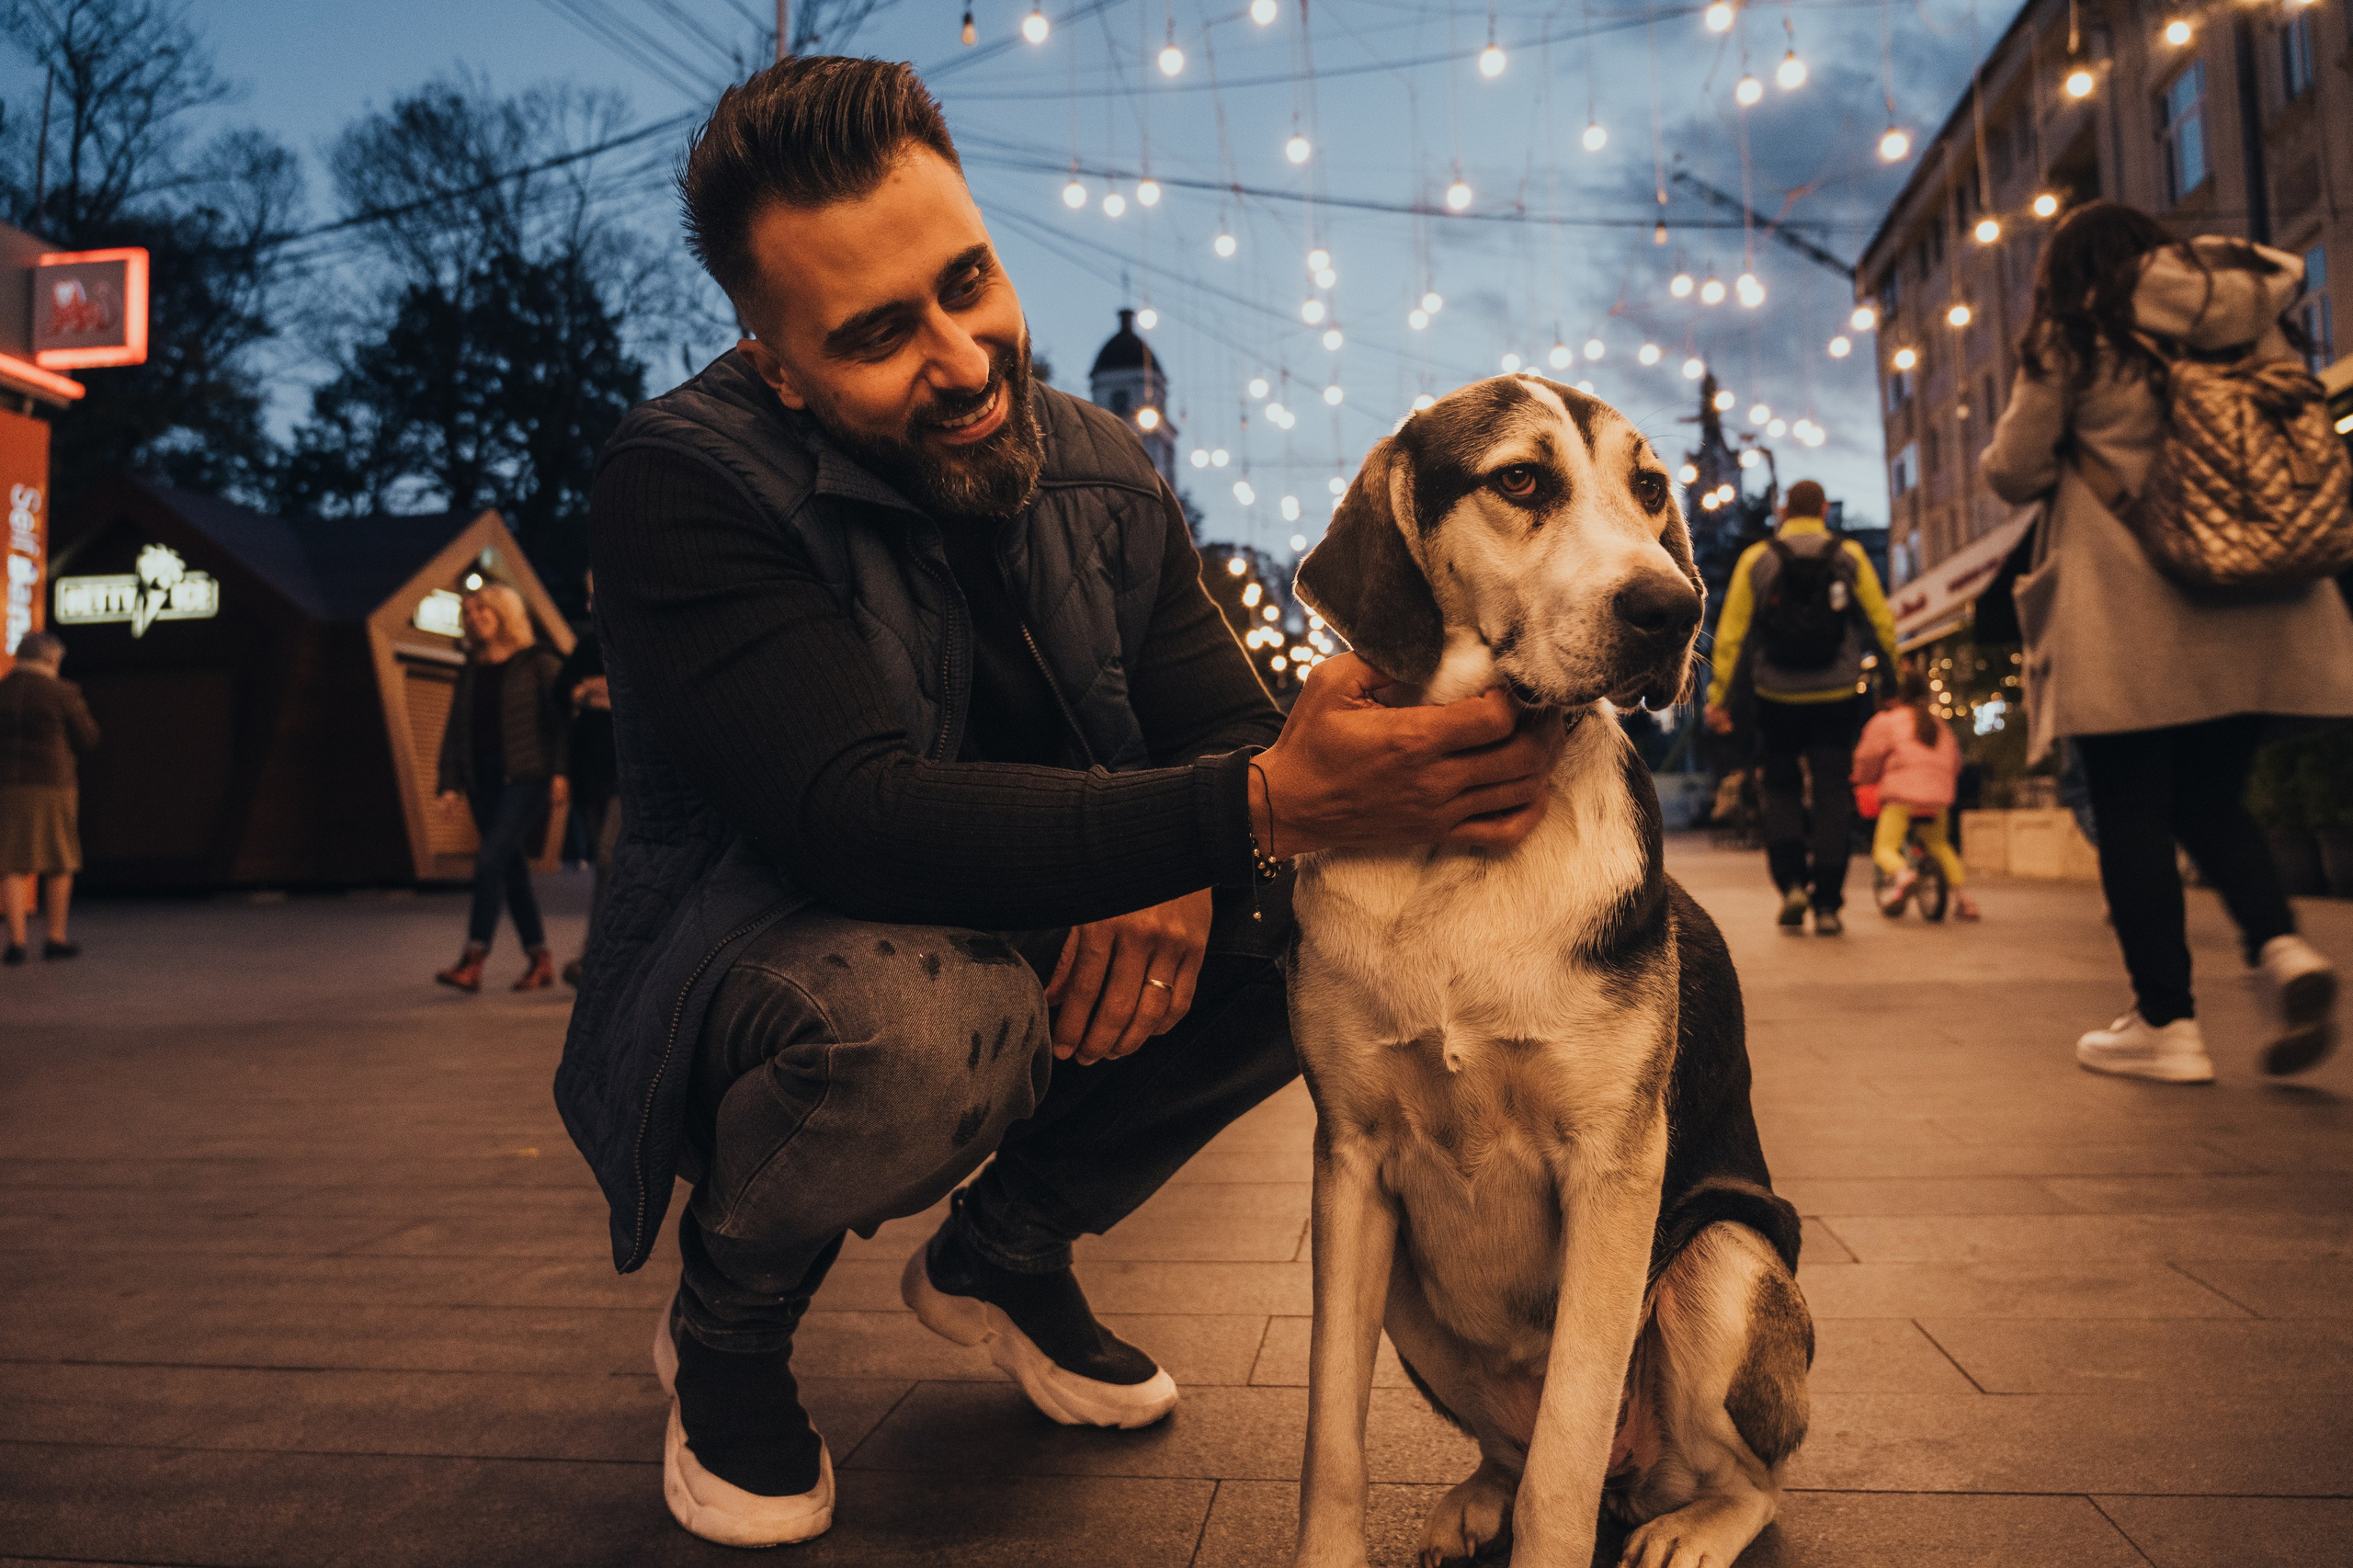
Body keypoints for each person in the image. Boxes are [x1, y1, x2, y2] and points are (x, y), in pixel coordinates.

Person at [566, 58, 1569, 1549]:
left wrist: (1215, 836)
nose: (965, 359)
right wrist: (1226, 813)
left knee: (1329, 925)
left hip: (1031, 918)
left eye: (967, 280)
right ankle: (727, 1327)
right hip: (770, 955)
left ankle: (1006, 1253)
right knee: (918, 1024)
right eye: (877, 334)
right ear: (778, 365)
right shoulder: (683, 481)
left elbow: (1231, 742)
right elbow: (854, 815)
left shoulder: (1102, 469)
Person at [1980, 200, 2353, 1083]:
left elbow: (2014, 469)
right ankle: (2281, 946)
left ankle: (2169, 1025)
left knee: (2134, 813)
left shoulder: (2076, 337)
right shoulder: (2252, 319)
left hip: (2133, 610)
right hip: (2262, 606)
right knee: (2214, 801)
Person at [1704, 479, 1900, 936]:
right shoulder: (1849, 556)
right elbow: (1880, 622)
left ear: (1783, 510)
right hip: (1837, 694)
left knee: (1781, 788)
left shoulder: (1757, 559)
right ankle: (1828, 903)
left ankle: (1792, 883)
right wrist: (1890, 682)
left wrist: (1720, 699)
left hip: (1776, 695)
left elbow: (1731, 635)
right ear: (1825, 509)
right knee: (1833, 789)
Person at [432, 583, 568, 994]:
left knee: (489, 860)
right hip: (481, 780)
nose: (475, 617)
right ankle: (540, 959)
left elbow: (562, 720)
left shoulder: (537, 662)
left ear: (504, 613)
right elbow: (456, 729)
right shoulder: (470, 669)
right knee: (511, 869)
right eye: (469, 613)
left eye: (483, 609)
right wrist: (449, 784)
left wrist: (561, 772)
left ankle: (473, 959)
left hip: (527, 777)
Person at [0, 631, 99, 964]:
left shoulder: (3, 691)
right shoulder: (62, 692)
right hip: (53, 784)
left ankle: (15, 941)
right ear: (50, 659)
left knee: (10, 861)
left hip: (7, 786)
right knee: (60, 859)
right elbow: (88, 737)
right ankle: (55, 936)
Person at [1853, 668, 1978, 921]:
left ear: (1888, 696)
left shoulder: (1886, 722)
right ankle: (1964, 899)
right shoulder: (1939, 724)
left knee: (1885, 848)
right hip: (1938, 797)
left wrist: (1861, 779)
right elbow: (1955, 762)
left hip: (1902, 797)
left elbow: (1866, 759)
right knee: (1941, 845)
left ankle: (1903, 875)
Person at [559, 570, 616, 989]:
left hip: (628, 778)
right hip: (590, 773)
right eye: (588, 596)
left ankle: (594, 955)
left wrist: (598, 692)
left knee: (611, 860)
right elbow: (561, 693)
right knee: (603, 864)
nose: (590, 605)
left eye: (597, 595)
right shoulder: (588, 646)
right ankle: (605, 954)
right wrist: (589, 693)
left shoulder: (640, 643)